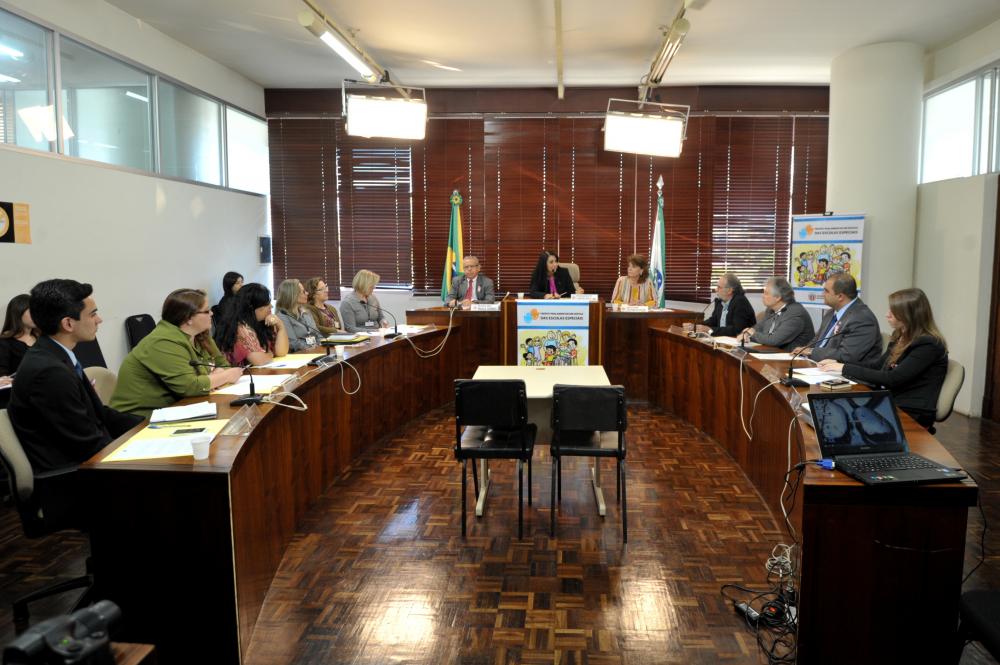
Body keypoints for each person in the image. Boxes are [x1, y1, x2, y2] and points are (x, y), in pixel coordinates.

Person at [7, 279, 142, 472]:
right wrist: (138, 451)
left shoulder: (55, 353)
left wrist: (150, 424)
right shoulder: (49, 372)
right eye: (93, 314)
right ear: (68, 323)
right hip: (73, 475)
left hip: (88, 459)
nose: (99, 320)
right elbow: (86, 444)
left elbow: (100, 414)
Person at [818, 288, 947, 429]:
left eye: (894, 311)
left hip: (910, 411)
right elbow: (877, 366)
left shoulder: (928, 344)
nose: (887, 315)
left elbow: (892, 378)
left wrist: (844, 368)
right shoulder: (901, 335)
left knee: (841, 421)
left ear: (909, 315)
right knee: (831, 413)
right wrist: (839, 364)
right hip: (889, 401)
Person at [110, 289, 244, 418]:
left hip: (178, 408)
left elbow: (223, 365)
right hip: (140, 419)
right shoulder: (162, 341)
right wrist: (225, 376)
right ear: (188, 318)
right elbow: (190, 386)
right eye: (206, 311)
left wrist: (213, 378)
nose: (212, 313)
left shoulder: (199, 335)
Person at [794, 273, 881, 365]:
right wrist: (803, 350)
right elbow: (816, 341)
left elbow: (846, 355)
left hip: (843, 371)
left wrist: (811, 352)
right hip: (817, 365)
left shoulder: (862, 319)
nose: (822, 294)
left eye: (826, 291)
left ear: (840, 296)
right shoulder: (831, 312)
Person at [213, 283, 289, 366]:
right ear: (252, 308)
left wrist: (280, 326)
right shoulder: (239, 327)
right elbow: (259, 360)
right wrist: (270, 354)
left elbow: (281, 352)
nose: (271, 306)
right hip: (238, 373)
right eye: (266, 303)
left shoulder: (263, 322)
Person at [738, 277, 815, 351]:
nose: (762, 296)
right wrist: (747, 333)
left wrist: (752, 334)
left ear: (778, 297)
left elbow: (774, 340)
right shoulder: (771, 309)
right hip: (773, 352)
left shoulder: (796, 314)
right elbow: (759, 327)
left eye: (766, 293)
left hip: (792, 357)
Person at [687, 272, 755, 337]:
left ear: (729, 290)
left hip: (739, 341)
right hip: (722, 339)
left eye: (719, 287)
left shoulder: (740, 302)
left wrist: (710, 330)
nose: (716, 290)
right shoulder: (720, 301)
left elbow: (737, 330)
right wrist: (696, 326)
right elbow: (713, 320)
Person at [275, 279, 321, 351]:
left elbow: (318, 335)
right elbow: (293, 343)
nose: (307, 293)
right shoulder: (282, 316)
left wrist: (320, 346)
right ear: (293, 295)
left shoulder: (306, 312)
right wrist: (311, 348)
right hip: (300, 354)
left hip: (315, 351)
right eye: (303, 291)